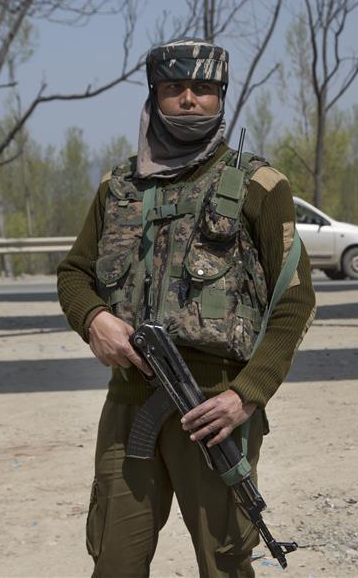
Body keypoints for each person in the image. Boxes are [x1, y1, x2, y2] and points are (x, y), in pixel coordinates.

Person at [56, 38, 315, 577]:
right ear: (154, 96)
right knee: (115, 562)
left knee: (225, 563)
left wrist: (247, 396)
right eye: (175, 88)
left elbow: (294, 303)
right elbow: (74, 274)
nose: (190, 100)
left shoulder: (259, 186)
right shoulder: (118, 187)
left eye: (204, 89)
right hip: (131, 404)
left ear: (221, 98)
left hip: (215, 408)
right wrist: (93, 319)